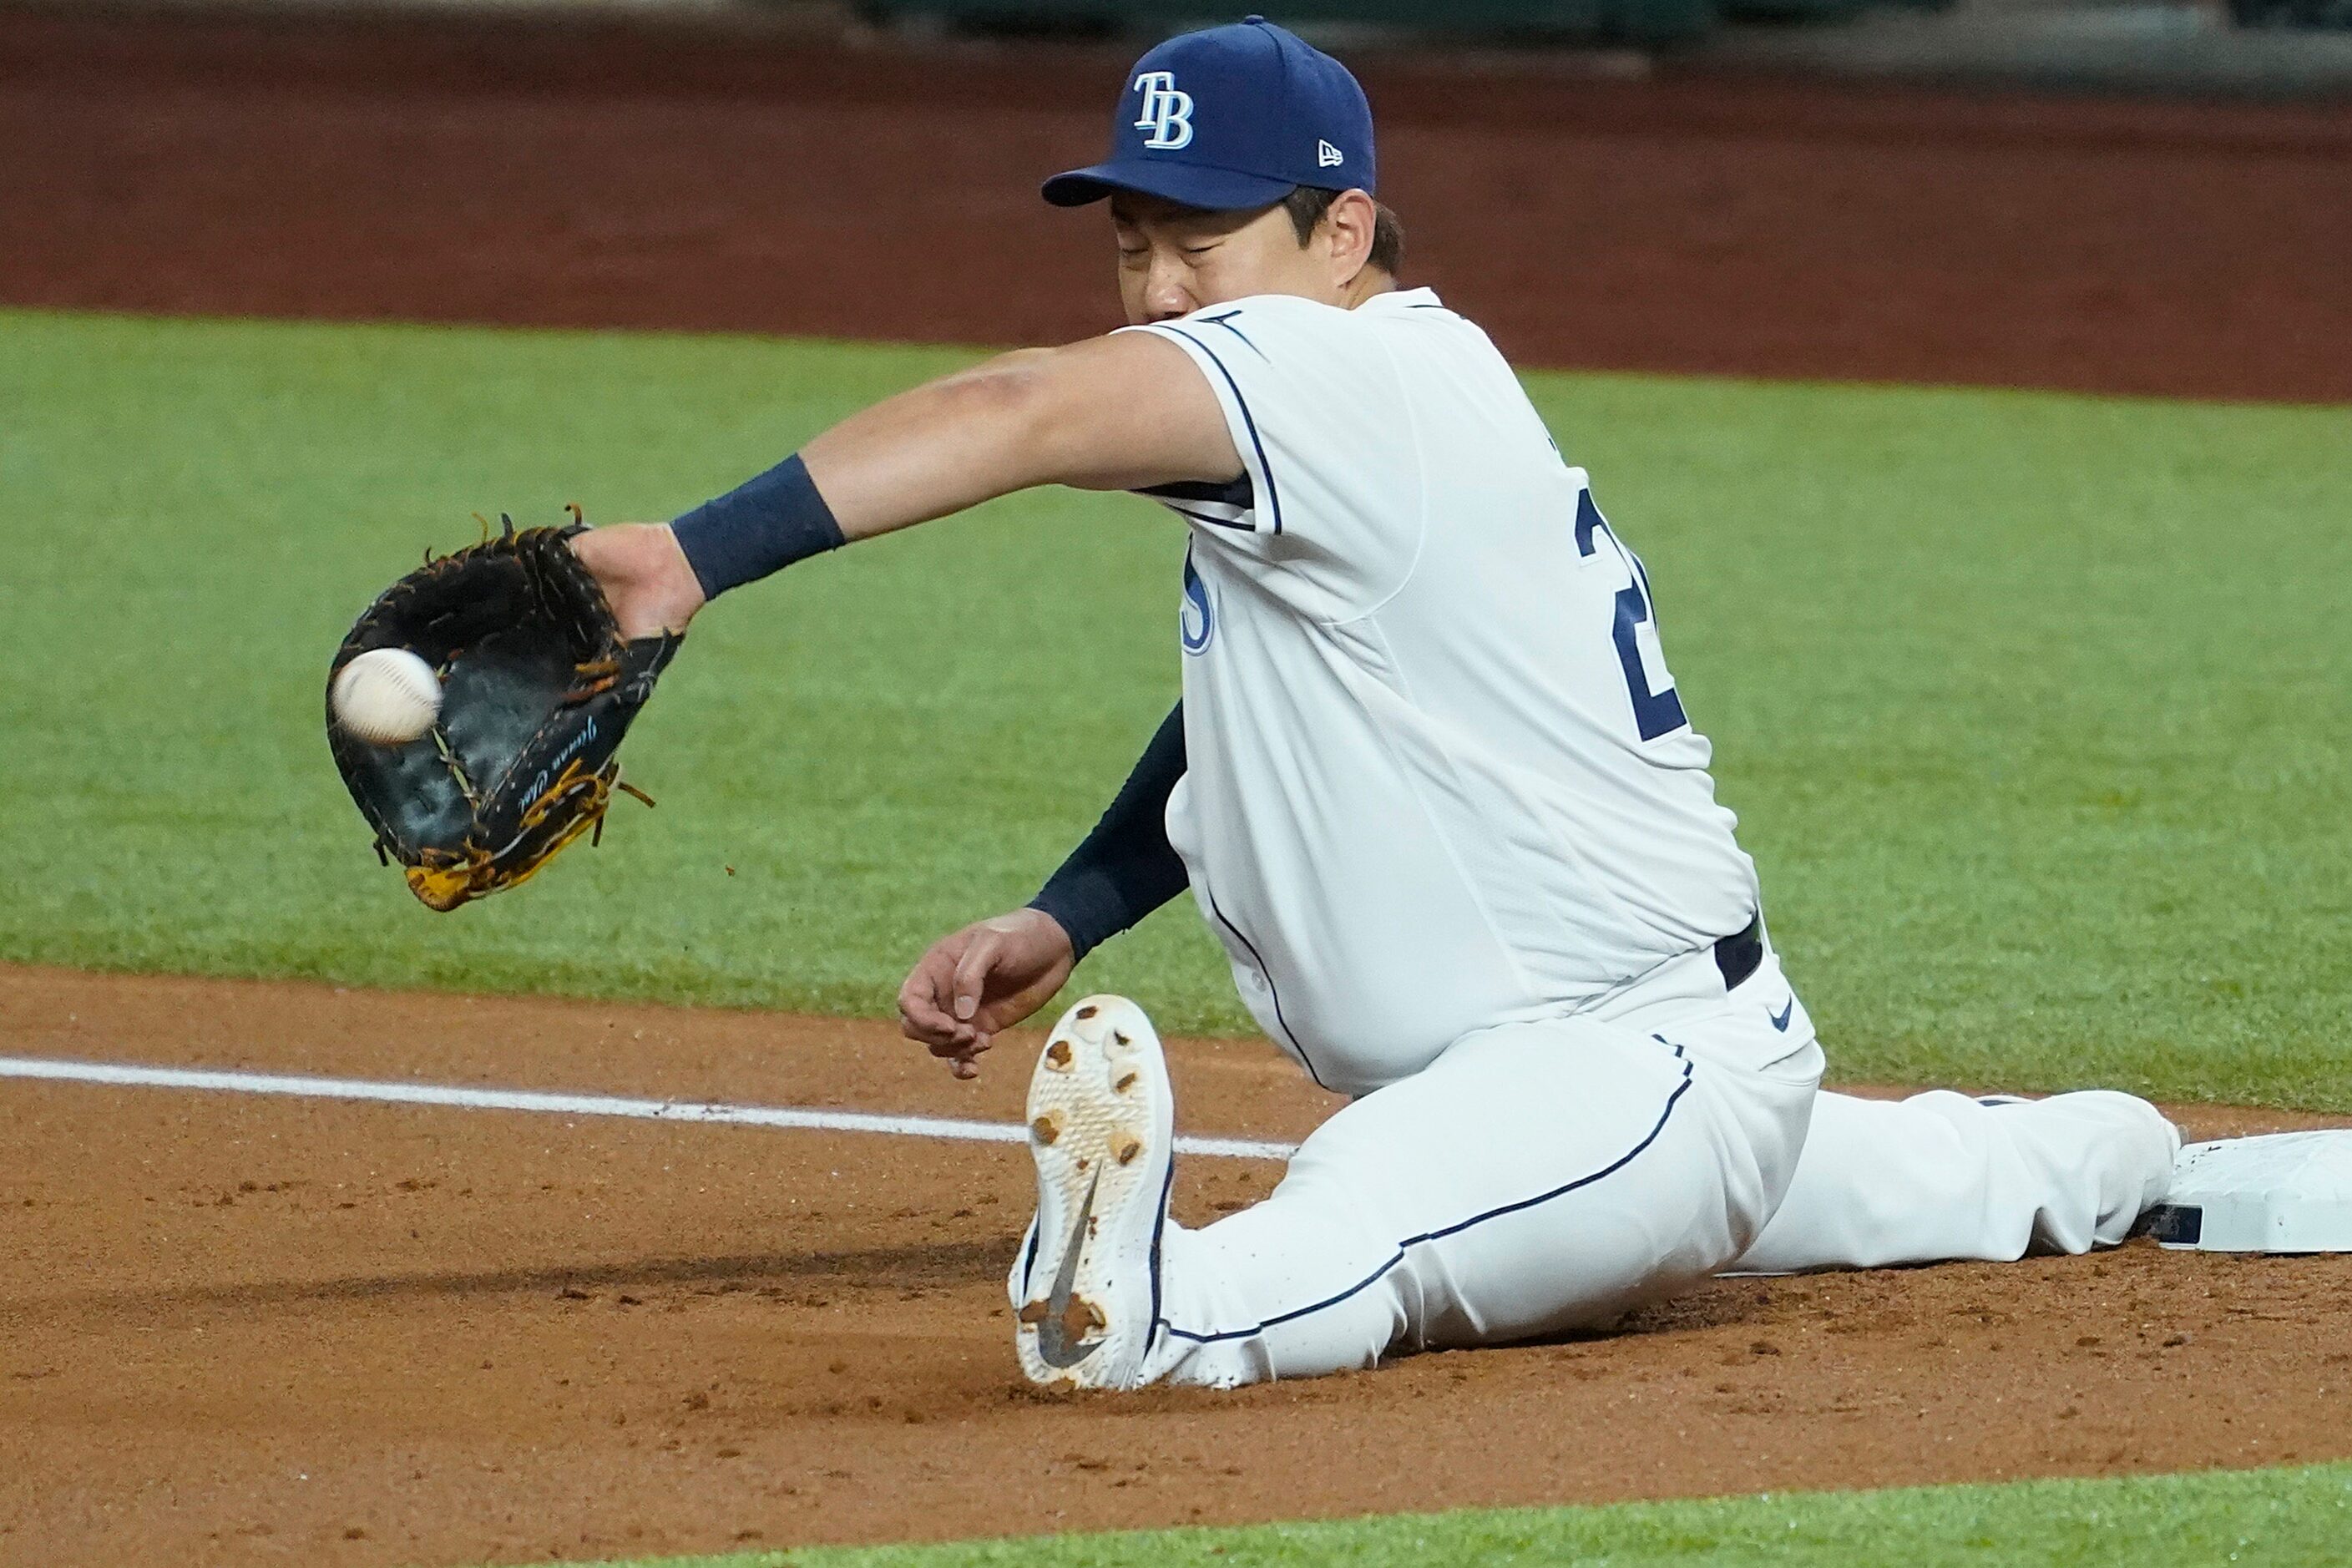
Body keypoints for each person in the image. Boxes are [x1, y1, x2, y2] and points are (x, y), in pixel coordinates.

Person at [572, 18, 2178, 1391]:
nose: (1156, 290)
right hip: (1640, 1070)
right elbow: (1259, 724)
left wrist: (686, 559)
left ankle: (1159, 1318)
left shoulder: (1347, 378)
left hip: (1618, 1061)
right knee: (1921, 1176)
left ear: (1339, 235)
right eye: (1131, 243)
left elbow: (1017, 406)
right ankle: (2106, 1155)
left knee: (1376, 1203)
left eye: (1202, 244)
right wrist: (1072, 912)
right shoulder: (1357, 419)